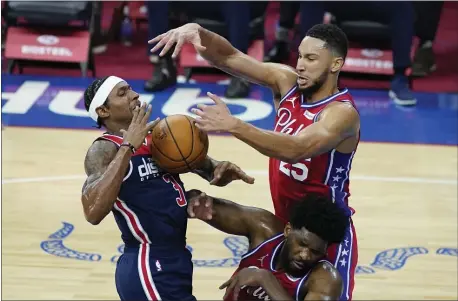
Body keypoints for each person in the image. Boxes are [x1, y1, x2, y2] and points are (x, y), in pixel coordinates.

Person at [149, 22, 359, 300]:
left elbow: (297, 148)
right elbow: (230, 57)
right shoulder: (286, 82)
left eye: (311, 59)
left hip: (324, 235)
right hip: (289, 224)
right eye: (299, 56)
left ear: (335, 64)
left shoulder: (341, 114)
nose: (301, 65)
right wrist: (198, 33)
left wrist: (235, 125)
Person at [81, 75, 255, 301]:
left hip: (177, 258)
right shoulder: (104, 149)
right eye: (122, 93)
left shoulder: (160, 136)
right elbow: (92, 212)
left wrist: (221, 172)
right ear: (104, 111)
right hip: (147, 263)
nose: (134, 95)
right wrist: (127, 147)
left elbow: (209, 170)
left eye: (131, 89)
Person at [186, 190, 349, 300]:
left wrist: (264, 278)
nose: (305, 255)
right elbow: (207, 208)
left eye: (315, 252)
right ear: (288, 230)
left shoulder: (325, 279)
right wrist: (194, 199)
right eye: (302, 244)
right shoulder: (263, 229)